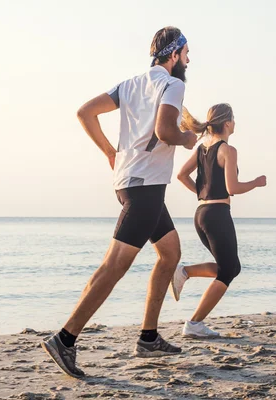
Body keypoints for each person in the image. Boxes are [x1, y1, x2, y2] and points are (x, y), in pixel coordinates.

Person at [41, 26, 200, 377]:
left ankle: (148, 338)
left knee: (170, 253)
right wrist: (187, 138)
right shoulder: (173, 84)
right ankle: (64, 339)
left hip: (133, 183)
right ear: (174, 54)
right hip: (144, 189)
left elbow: (85, 112)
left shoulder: (129, 84)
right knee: (114, 267)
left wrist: (110, 152)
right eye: (187, 53)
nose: (189, 59)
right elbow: (165, 132)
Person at [170, 103, 266, 338]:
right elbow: (232, 188)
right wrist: (256, 182)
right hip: (217, 215)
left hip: (201, 214)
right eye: (233, 119)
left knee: (232, 267)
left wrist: (202, 193)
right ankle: (194, 324)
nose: (235, 123)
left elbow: (182, 175)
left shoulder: (202, 148)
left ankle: (184, 272)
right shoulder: (228, 150)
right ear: (227, 123)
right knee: (227, 271)